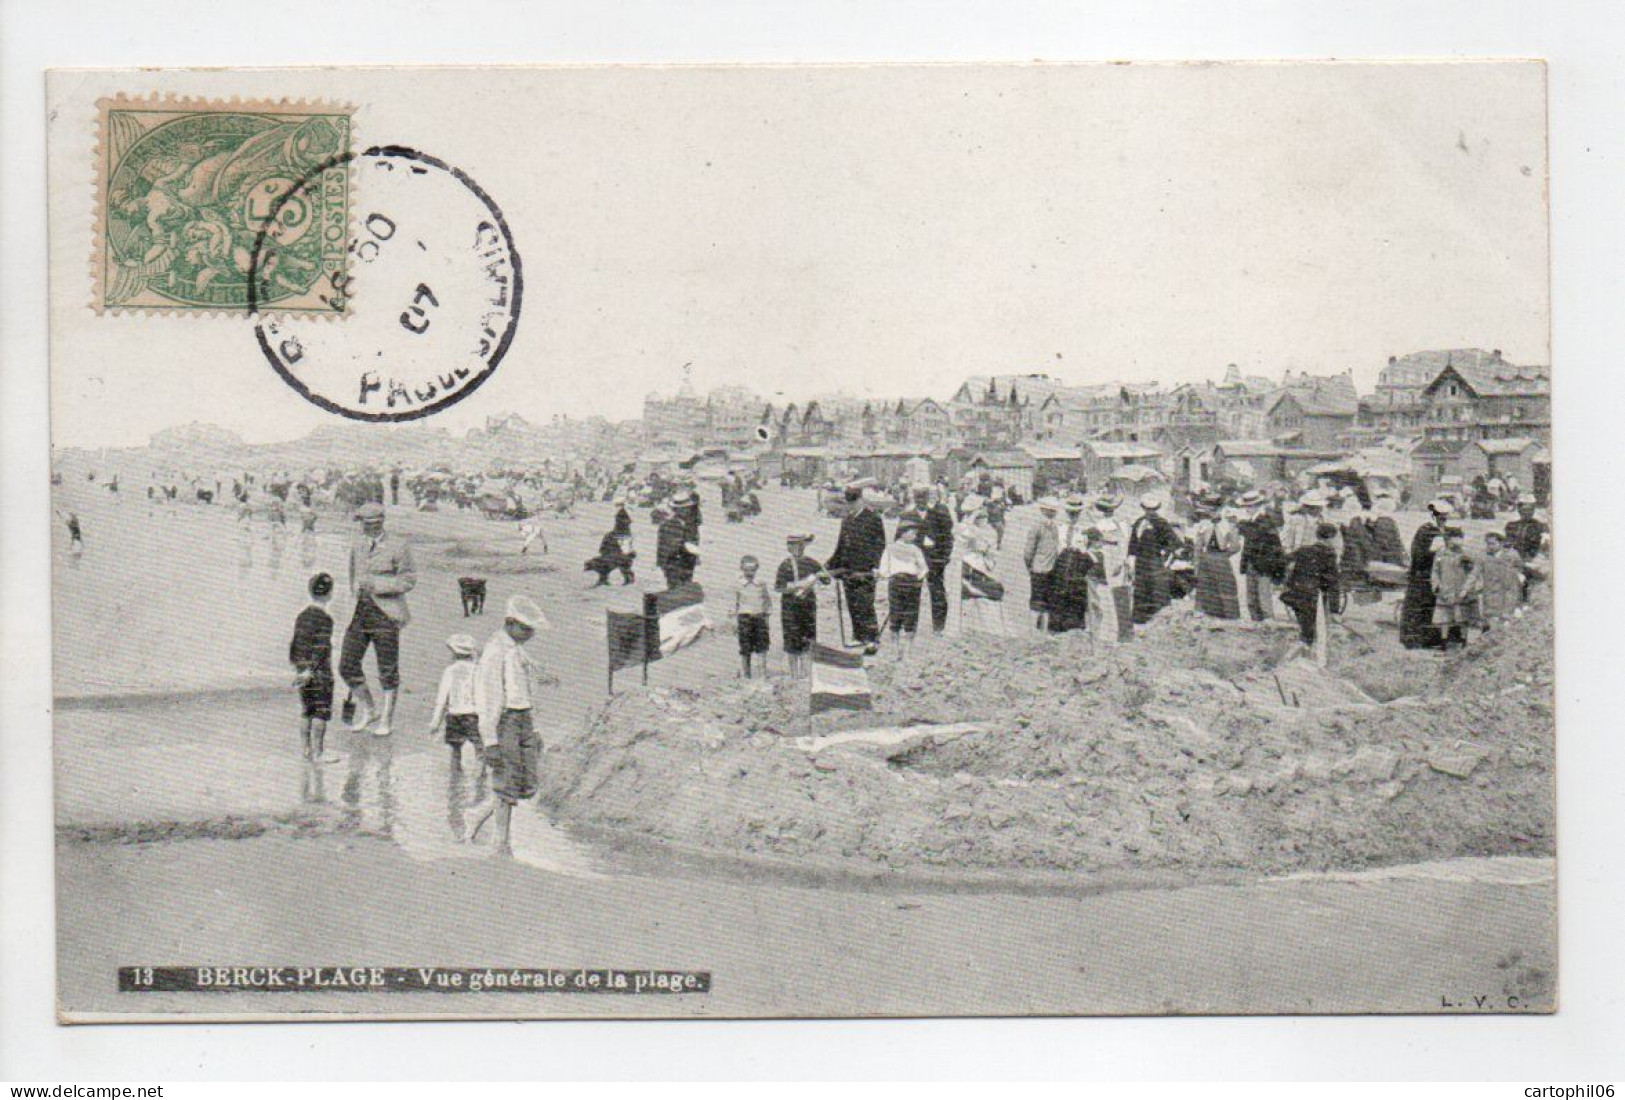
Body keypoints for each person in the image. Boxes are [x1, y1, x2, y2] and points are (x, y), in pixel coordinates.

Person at [468, 595, 548, 855]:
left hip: (523, 717)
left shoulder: (515, 648)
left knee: (526, 780)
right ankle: (501, 840)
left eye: (532, 630)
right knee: (505, 778)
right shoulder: (494, 651)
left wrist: (534, 727)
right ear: (510, 623)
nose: (530, 634)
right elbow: (487, 697)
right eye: (525, 628)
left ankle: (479, 814)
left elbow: (527, 686)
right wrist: (490, 740)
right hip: (505, 720)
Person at [339, 501, 418, 736]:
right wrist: (353, 596)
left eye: (369, 524)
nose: (365, 528)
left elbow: (409, 579)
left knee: (387, 670)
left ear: (379, 523)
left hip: (387, 613)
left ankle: (386, 719)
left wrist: (379, 585)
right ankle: (369, 709)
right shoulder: (357, 543)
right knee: (347, 664)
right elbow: (352, 574)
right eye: (363, 524)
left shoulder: (398, 545)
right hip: (360, 611)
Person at [828, 485, 888, 654]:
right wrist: (831, 565)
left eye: (853, 501)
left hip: (865, 570)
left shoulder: (873, 519)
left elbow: (880, 545)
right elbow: (841, 545)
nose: (851, 505)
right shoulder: (847, 519)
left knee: (865, 604)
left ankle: (871, 639)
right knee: (852, 604)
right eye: (849, 502)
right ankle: (859, 636)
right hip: (848, 569)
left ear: (861, 499)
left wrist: (877, 566)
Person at [288, 572, 339, 763]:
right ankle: (319, 752)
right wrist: (312, 669)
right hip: (320, 673)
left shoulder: (302, 616)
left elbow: (294, 645)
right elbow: (321, 648)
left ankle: (305, 750)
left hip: (302, 671)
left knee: (306, 711)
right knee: (320, 713)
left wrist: (300, 668)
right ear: (329, 594)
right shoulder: (326, 620)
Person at [1281, 522, 1343, 649]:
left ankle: (1304, 647)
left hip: (1295, 593)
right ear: (1331, 538)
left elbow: (1284, 560)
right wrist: (1334, 611)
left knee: (1304, 626)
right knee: (1313, 630)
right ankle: (1308, 653)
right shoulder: (1329, 555)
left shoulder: (1303, 550)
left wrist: (1287, 580)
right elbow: (1333, 584)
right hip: (1313, 596)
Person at [775, 533, 829, 678]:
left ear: (804, 546)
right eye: (793, 545)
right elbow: (779, 587)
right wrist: (799, 584)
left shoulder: (812, 563)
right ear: (788, 547)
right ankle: (794, 674)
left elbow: (826, 579)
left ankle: (807, 674)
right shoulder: (785, 565)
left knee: (808, 639)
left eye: (800, 544)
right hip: (790, 608)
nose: (797, 548)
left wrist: (822, 575)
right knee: (792, 640)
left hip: (808, 606)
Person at [1400, 499, 1452, 650]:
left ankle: (1429, 638)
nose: (1444, 520)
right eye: (1442, 517)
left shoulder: (1439, 530)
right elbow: (1418, 554)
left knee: (1431, 606)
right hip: (1422, 573)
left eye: (1446, 517)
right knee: (1419, 606)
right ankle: (1414, 638)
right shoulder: (1426, 530)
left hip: (1434, 573)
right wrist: (1432, 552)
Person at [428, 633, 483, 772]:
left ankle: (455, 779)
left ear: (453, 653)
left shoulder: (450, 671)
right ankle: (480, 781)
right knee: (480, 748)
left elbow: (442, 699)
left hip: (454, 715)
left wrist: (435, 722)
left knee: (455, 751)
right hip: (473, 715)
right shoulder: (477, 670)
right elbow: (482, 695)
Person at [905, 485, 955, 634]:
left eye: (923, 498)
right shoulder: (907, 515)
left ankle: (939, 626)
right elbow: (899, 538)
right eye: (917, 498)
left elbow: (948, 538)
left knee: (937, 593)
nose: (920, 502)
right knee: (912, 593)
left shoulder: (940, 513)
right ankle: (910, 626)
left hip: (935, 560)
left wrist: (944, 557)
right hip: (914, 562)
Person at [1085, 494, 1133, 643]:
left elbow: (1089, 547)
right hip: (1113, 562)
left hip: (1107, 562)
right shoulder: (1121, 525)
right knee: (1118, 596)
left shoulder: (1098, 525)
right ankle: (1120, 633)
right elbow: (1126, 545)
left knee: (1105, 598)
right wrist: (1123, 562)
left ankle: (1106, 634)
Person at [878, 520, 929, 657]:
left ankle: (907, 650)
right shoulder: (890, 548)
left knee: (911, 615)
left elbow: (924, 568)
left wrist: (918, 578)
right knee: (895, 614)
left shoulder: (916, 549)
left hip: (912, 584)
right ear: (902, 533)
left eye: (915, 534)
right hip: (896, 583)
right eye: (911, 533)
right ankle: (895, 649)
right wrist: (891, 577)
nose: (914, 536)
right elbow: (883, 568)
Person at [1046, 494, 1094, 634]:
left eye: (1076, 513)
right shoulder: (1060, 528)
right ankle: (1057, 626)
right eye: (1071, 512)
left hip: (1078, 564)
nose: (1073, 515)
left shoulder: (1085, 530)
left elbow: (1091, 549)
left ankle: (1075, 626)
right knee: (1058, 593)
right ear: (1067, 512)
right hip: (1061, 562)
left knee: (1076, 594)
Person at [957, 497, 1005, 635]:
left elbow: (992, 549)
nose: (982, 518)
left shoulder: (990, 530)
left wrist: (988, 556)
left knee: (989, 595)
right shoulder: (965, 527)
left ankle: (989, 629)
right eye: (979, 516)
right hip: (968, 564)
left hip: (985, 565)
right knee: (969, 597)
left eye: (984, 516)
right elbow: (964, 536)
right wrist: (971, 519)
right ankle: (969, 628)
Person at [1237, 489, 1286, 622]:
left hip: (1264, 563)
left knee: (1263, 596)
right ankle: (1257, 622)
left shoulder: (1265, 519)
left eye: (1248, 507)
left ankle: (1267, 622)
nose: (1246, 509)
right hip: (1252, 562)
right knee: (1252, 597)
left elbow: (1256, 534)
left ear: (1255, 506)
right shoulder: (1251, 520)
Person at [1128, 494, 1177, 624]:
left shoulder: (1162, 523)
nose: (1150, 512)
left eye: (1153, 509)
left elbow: (1173, 542)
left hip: (1155, 560)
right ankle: (1141, 617)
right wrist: (1131, 561)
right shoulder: (1139, 522)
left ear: (1157, 509)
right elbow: (1132, 544)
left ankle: (1159, 617)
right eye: (1147, 509)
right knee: (1141, 587)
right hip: (1141, 561)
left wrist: (1166, 557)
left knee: (1157, 587)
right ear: (1143, 508)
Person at [1430, 527, 1481, 650]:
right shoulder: (1441, 553)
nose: (1456, 541)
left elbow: (1473, 573)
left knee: (1463, 616)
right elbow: (1435, 571)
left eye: (1459, 538)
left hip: (1461, 589)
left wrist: (1467, 588)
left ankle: (1464, 641)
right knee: (1444, 617)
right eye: (1452, 538)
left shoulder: (1467, 554)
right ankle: (1444, 642)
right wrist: (1436, 585)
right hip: (1446, 588)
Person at [1189, 503, 1242, 620]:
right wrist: (1197, 559)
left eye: (1215, 511)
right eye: (1210, 511)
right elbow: (1198, 544)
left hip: (1221, 557)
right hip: (1207, 556)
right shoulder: (1204, 525)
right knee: (1205, 583)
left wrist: (1226, 554)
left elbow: (1236, 546)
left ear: (1220, 510)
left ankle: (1228, 614)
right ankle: (1204, 611)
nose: (1212, 514)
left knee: (1225, 584)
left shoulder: (1228, 525)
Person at [1022, 496, 1061, 632]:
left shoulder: (1039, 526)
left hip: (1039, 567)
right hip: (1048, 567)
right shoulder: (1048, 527)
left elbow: (1028, 551)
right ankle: (1040, 630)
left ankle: (1035, 630)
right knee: (1043, 601)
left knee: (1038, 600)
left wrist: (1028, 564)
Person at [733, 554, 772, 678]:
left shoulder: (761, 583)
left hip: (759, 616)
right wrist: (734, 621)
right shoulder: (738, 584)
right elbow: (735, 603)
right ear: (741, 568)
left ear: (757, 569)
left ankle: (762, 674)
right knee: (745, 648)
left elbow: (767, 600)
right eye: (746, 569)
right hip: (744, 617)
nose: (749, 572)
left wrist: (767, 616)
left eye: (752, 569)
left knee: (762, 647)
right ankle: (746, 675)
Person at [656, 492, 701, 589]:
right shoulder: (669, 524)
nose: (688, 511)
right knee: (676, 588)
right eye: (686, 508)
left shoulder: (690, 524)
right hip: (674, 563)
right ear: (678, 510)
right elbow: (666, 546)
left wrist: (694, 555)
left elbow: (694, 540)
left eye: (689, 508)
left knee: (686, 586)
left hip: (688, 562)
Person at [1478, 531, 1524, 625]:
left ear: (1501, 543)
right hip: (1491, 595)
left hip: (1507, 595)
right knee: (1491, 622)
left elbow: (1519, 567)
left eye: (1493, 543)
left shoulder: (1511, 555)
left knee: (1506, 622)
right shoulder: (1483, 556)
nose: (1490, 546)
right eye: (1488, 543)